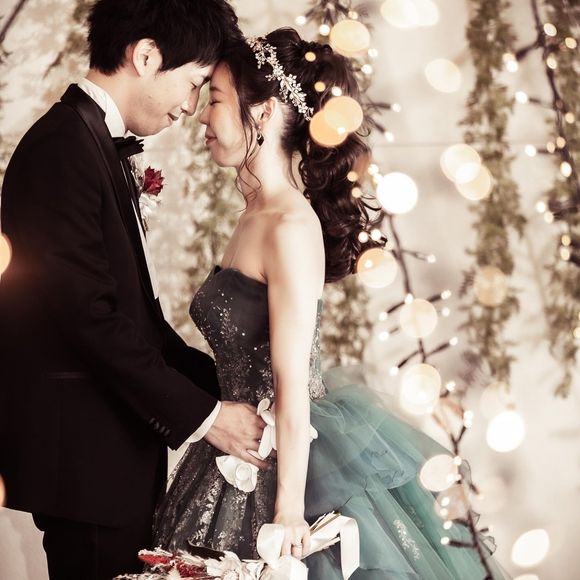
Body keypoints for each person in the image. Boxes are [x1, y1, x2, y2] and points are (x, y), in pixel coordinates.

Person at [152, 28, 506, 579]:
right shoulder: (254, 216)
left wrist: (288, 514)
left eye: (215, 98)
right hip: (235, 448)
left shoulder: (290, 225)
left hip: (288, 459)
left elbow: (291, 382)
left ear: (263, 112)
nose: (202, 115)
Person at [0, 1, 269, 578]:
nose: (191, 108)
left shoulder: (89, 141)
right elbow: (88, 319)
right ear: (145, 55)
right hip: (87, 465)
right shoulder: (61, 148)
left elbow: (139, 322)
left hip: (110, 461)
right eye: (194, 83)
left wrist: (236, 390)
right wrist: (208, 418)